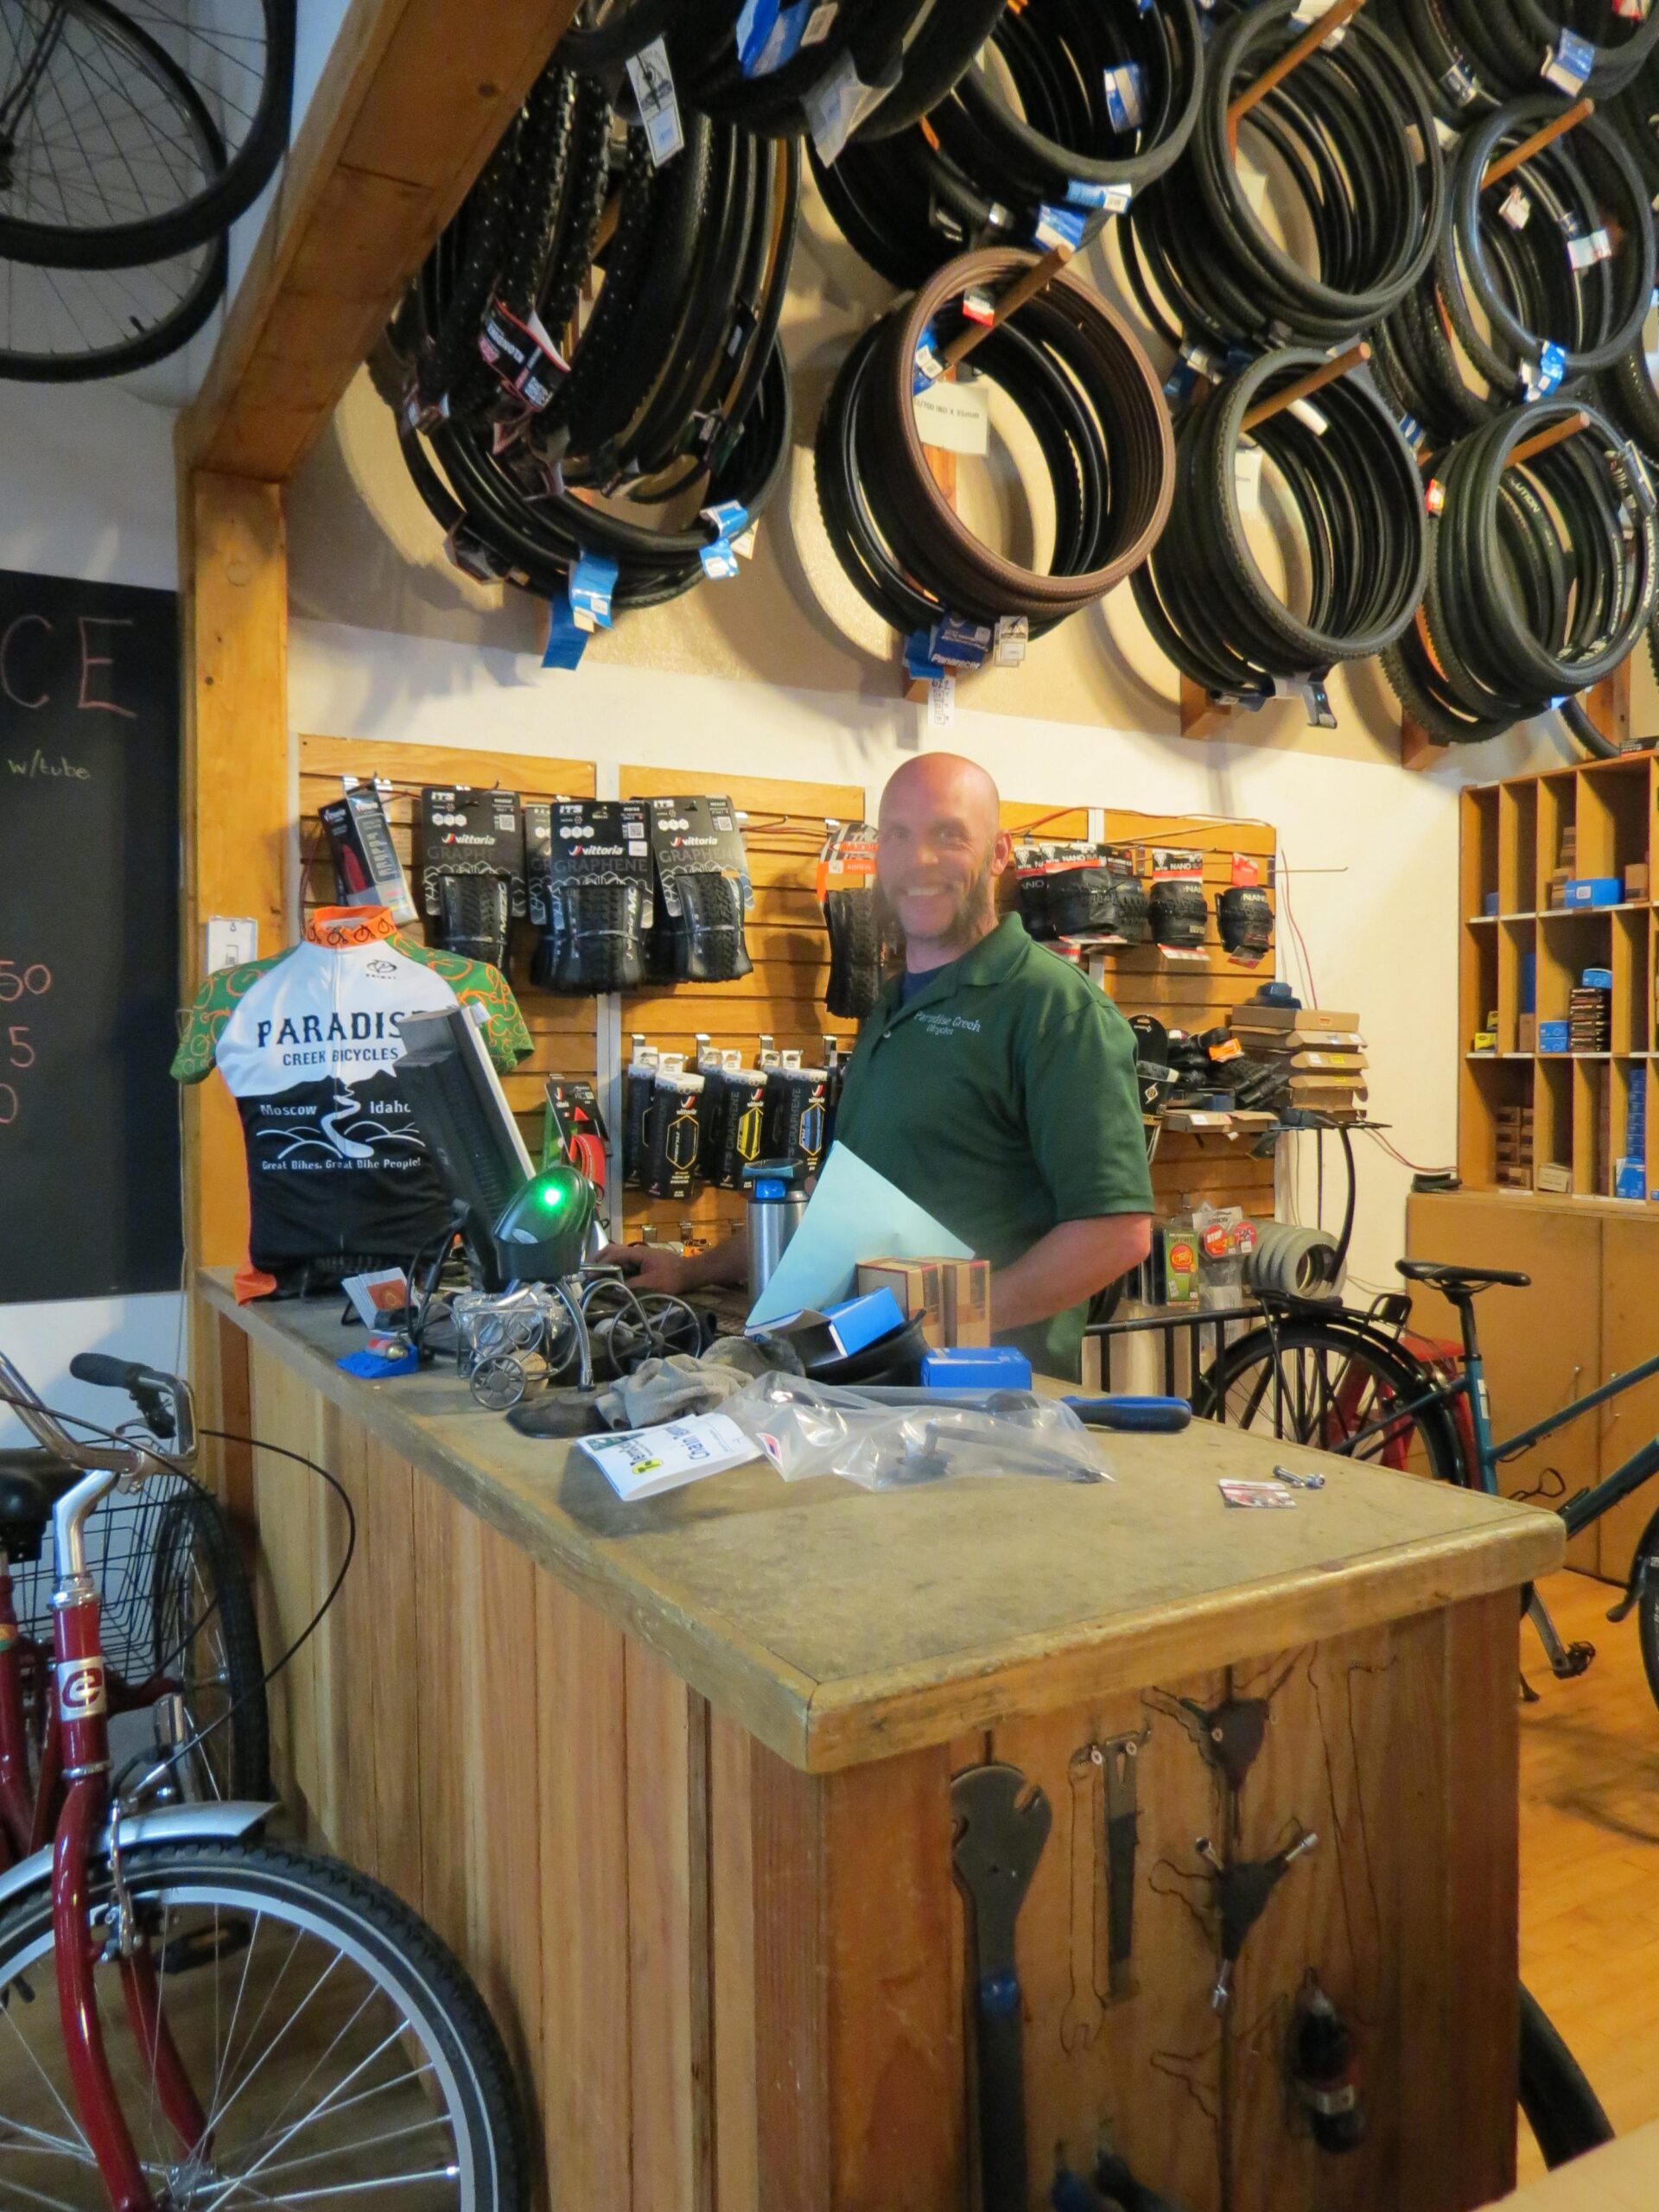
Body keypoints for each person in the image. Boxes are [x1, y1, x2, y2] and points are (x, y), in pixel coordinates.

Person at [601, 752, 1154, 1379]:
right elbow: (842, 1220)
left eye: (948, 835)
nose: (919, 861)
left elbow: (1117, 1233)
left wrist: (942, 1318)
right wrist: (692, 1269)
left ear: (999, 853)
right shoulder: (890, 1006)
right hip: (867, 1379)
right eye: (898, 835)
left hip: (982, 1404)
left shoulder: (1054, 1009)